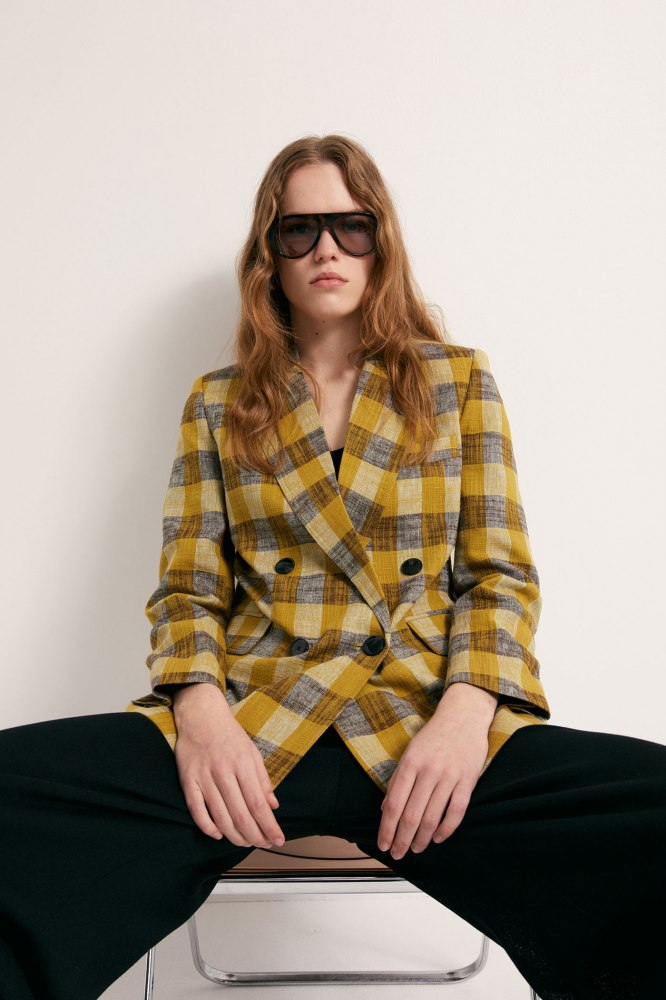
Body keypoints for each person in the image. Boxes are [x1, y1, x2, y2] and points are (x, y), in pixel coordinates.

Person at [0, 135, 663, 1000]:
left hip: (418, 731)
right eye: (299, 230)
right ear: (268, 255)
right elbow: (188, 588)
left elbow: (499, 578)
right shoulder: (219, 402)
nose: (327, 250)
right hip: (255, 731)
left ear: (381, 242)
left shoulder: (457, 382)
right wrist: (200, 714)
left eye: (352, 227)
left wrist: (466, 719)